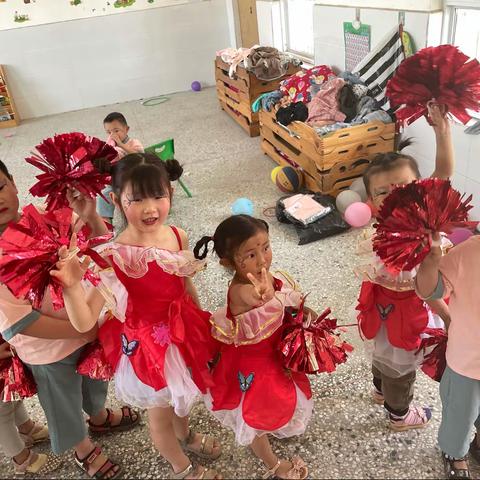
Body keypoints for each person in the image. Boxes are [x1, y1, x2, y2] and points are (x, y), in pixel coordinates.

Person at [52, 152, 222, 480]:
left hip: (184, 332)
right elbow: (85, 321)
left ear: (170, 193)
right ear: (116, 200)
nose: (150, 208)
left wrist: (200, 322)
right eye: (137, 198)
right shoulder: (114, 254)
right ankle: (182, 468)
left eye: (158, 195)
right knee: (160, 415)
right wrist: (72, 287)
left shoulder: (177, 235)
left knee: (184, 396)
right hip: (149, 347)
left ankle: (185, 435)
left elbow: (185, 283)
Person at [0, 159, 139, 479]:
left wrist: (90, 215)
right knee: (61, 403)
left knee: (95, 383)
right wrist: (83, 330)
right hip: (46, 350)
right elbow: (18, 322)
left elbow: (100, 250)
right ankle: (82, 447)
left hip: (86, 328)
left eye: (0, 186)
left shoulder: (46, 221)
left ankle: (100, 416)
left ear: (13, 182)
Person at [354, 103, 453, 431]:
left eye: (403, 189)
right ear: (371, 203)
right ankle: (400, 415)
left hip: (378, 310)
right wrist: (449, 316)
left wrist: (442, 132)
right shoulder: (407, 240)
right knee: (401, 366)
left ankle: (379, 389)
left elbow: (443, 174)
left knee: (382, 356)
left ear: (419, 190)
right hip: (404, 315)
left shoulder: (393, 226)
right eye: (384, 192)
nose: (394, 196)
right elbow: (425, 290)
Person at [194, 214, 311, 480]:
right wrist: (261, 294)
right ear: (228, 262)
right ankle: (272, 463)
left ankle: (272, 425)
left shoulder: (265, 274)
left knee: (279, 399)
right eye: (249, 255)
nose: (262, 260)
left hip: (273, 356)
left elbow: (280, 300)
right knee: (252, 417)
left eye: (266, 248)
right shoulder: (240, 290)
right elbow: (257, 296)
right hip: (254, 368)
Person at [416, 232, 480, 479]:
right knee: (461, 413)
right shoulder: (466, 254)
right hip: (468, 360)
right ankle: (454, 452)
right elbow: (428, 290)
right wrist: (432, 259)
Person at [97, 112, 144, 224]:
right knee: (103, 195)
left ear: (126, 129)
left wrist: (121, 145)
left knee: (128, 197)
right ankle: (106, 221)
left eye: (116, 131)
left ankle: (133, 220)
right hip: (116, 180)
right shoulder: (110, 147)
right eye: (109, 132)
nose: (113, 135)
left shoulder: (134, 143)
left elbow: (141, 157)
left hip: (134, 179)